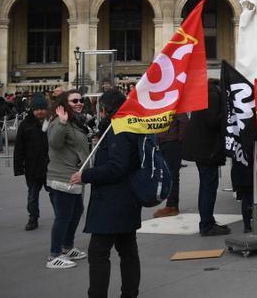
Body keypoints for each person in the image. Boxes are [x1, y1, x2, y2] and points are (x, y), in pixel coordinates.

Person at [71, 89, 141, 298]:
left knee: (98, 253)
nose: (100, 113)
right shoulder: (127, 124)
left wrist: (86, 175)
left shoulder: (119, 128)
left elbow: (117, 167)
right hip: (126, 199)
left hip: (113, 202)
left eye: (102, 108)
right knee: (128, 250)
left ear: (108, 108)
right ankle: (130, 293)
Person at [45, 90, 90, 269]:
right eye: (74, 101)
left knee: (76, 211)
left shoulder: (75, 122)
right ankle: (54, 255)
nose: (79, 103)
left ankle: (67, 246)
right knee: (63, 217)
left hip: (74, 177)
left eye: (81, 100)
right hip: (62, 177)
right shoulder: (59, 121)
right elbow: (54, 143)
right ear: (64, 104)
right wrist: (62, 122)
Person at [183, 78, 231, 237]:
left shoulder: (206, 92)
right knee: (208, 186)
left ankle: (207, 221)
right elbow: (213, 121)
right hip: (207, 149)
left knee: (206, 185)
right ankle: (206, 224)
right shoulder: (213, 94)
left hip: (202, 147)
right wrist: (226, 113)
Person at [15, 93, 50, 231]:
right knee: (32, 195)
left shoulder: (52, 122)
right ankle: (33, 217)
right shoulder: (25, 125)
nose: (39, 111)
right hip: (32, 166)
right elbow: (19, 147)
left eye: (42, 108)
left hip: (49, 166)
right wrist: (18, 167)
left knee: (54, 194)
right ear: (32, 110)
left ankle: (61, 217)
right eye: (36, 109)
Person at [153, 113, 187, 218]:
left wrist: (179, 139)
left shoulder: (174, 101)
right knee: (170, 174)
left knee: (172, 175)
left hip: (171, 142)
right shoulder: (166, 101)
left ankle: (172, 205)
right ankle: (171, 204)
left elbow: (184, 121)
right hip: (165, 141)